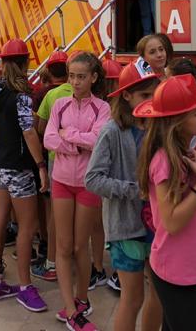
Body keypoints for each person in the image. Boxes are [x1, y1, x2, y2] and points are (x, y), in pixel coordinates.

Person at [136, 74, 196, 330]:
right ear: (177, 124)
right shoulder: (165, 161)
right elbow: (172, 222)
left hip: (192, 267)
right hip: (175, 272)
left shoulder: (186, 153)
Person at [85, 59, 162, 331]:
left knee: (159, 296)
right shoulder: (111, 131)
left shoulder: (157, 127)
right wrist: (134, 190)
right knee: (133, 298)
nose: (151, 101)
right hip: (126, 227)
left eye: (154, 94)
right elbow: (93, 179)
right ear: (126, 95)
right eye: (144, 95)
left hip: (157, 225)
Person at [44, 52, 110, 330]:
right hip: (61, 180)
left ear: (93, 77)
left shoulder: (102, 108)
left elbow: (97, 140)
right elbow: (49, 139)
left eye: (81, 77)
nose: (75, 82)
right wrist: (77, 145)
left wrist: (67, 135)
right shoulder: (60, 104)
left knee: (80, 246)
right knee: (62, 246)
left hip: (88, 183)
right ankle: (71, 309)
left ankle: (82, 298)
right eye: (72, 76)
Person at [0, 39, 48, 313]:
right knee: (27, 226)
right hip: (18, 167)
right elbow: (29, 132)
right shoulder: (22, 95)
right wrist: (41, 165)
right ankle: (24, 286)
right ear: (24, 63)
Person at [31, 55, 73, 283]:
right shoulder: (87, 95)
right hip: (81, 161)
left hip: (56, 160)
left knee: (54, 212)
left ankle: (52, 261)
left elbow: (40, 128)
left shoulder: (47, 95)